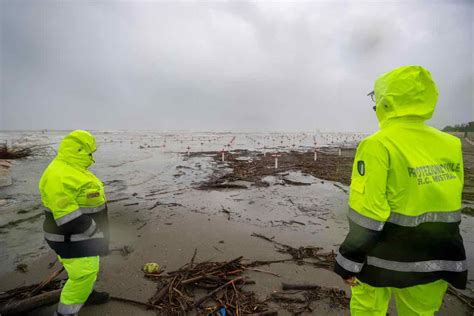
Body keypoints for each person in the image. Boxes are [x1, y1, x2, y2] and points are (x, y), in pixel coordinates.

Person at [334, 65, 467, 315]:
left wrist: (348, 262)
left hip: (382, 258)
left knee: (368, 309)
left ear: (386, 101)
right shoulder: (451, 144)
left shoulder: (377, 144)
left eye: (376, 97)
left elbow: (368, 213)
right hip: (438, 257)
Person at [39, 130, 110, 316]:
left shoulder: (72, 168)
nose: (92, 157)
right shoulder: (59, 175)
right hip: (71, 237)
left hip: (82, 235)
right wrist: (94, 231)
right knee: (84, 273)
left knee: (85, 269)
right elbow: (67, 215)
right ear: (79, 150)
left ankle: (86, 293)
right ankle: (65, 313)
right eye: (89, 152)